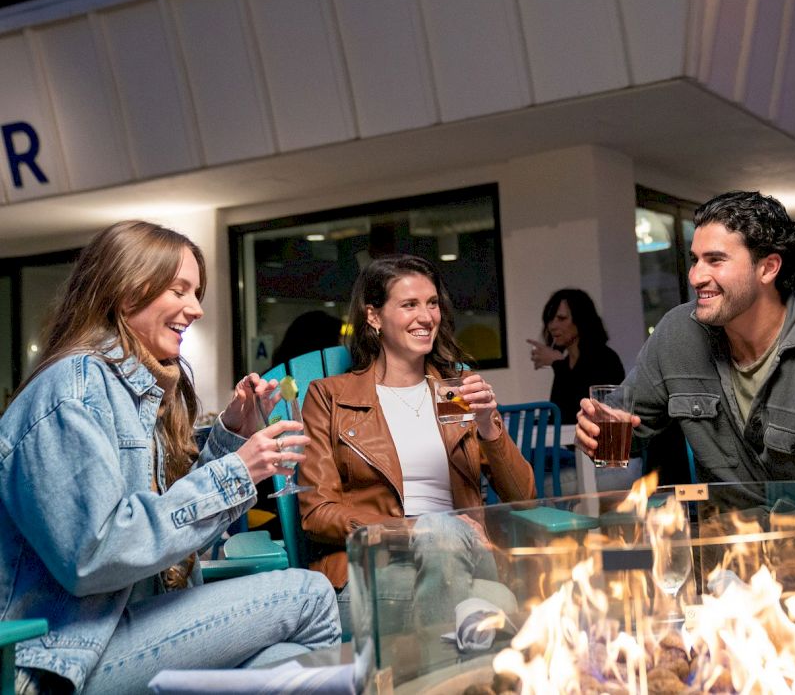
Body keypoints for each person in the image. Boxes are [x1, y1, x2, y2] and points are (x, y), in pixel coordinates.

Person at [0, 220, 340, 695]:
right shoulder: (71, 390)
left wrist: (230, 438)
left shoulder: (131, 389)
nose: (196, 309)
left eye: (196, 292)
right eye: (180, 290)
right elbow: (96, 554)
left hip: (128, 632)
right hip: (65, 660)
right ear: (127, 291)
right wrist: (237, 471)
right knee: (311, 594)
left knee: (283, 660)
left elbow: (162, 529)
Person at [575, 191, 795, 491]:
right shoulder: (677, 333)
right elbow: (626, 432)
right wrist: (597, 430)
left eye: (715, 260)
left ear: (768, 268)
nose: (696, 276)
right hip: (726, 542)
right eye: (695, 259)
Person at [298, 255, 535, 633]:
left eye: (432, 303)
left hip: (469, 552)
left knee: (446, 535)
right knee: (499, 601)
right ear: (373, 317)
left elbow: (523, 495)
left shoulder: (454, 393)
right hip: (375, 565)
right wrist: (414, 530)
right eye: (409, 304)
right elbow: (317, 513)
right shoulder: (331, 397)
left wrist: (489, 426)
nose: (426, 317)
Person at [527, 288, 625, 418]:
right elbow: (560, 413)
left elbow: (584, 409)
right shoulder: (565, 363)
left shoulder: (605, 359)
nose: (552, 326)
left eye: (561, 318)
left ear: (580, 320)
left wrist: (557, 363)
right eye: (550, 319)